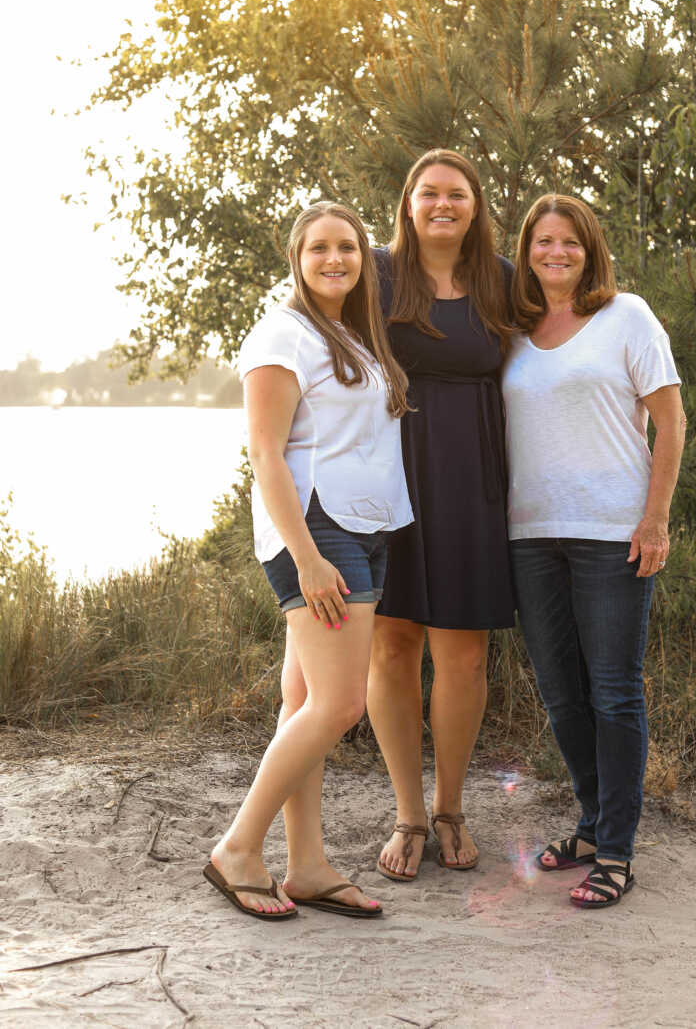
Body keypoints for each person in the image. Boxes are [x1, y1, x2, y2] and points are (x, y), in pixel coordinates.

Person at [204, 201, 413, 921]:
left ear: (364, 258)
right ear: (296, 256)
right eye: (320, 247)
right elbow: (265, 453)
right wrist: (308, 558)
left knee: (302, 704)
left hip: (366, 526)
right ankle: (238, 847)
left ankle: (309, 866)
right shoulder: (281, 335)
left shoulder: (354, 335)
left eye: (348, 248)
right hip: (321, 533)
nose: (335, 259)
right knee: (338, 705)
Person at [502, 193, 685, 908]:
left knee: (613, 691)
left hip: (613, 532)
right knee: (560, 693)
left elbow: (669, 422)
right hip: (531, 536)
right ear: (526, 252)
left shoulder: (627, 317)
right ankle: (590, 820)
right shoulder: (512, 331)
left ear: (590, 249)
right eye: (543, 241)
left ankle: (615, 851)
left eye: (569, 241)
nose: (555, 253)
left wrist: (656, 518)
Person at [368, 149, 516, 880]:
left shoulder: (502, 282)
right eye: (429, 193)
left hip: (472, 478)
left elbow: (570, 336)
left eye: (457, 194)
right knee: (391, 644)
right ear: (408, 201)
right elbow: (304, 319)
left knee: (463, 651)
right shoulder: (374, 270)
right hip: (385, 474)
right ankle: (408, 814)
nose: (443, 204)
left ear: (476, 206)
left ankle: (451, 806)